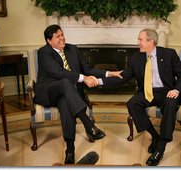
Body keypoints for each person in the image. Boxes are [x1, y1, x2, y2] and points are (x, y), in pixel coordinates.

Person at [97, 28, 181, 166]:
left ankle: (160, 148)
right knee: (132, 104)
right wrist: (99, 81)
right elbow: (123, 78)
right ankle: (155, 135)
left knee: (170, 104)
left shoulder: (169, 54)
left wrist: (176, 90)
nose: (138, 43)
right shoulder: (136, 57)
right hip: (147, 92)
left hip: (167, 91)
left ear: (151, 41)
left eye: (140, 40)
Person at [34, 24, 121, 164]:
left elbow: (87, 69)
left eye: (62, 34)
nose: (62, 38)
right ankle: (88, 123)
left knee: (65, 104)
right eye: (58, 36)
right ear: (49, 41)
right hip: (49, 91)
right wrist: (84, 79)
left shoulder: (72, 49)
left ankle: (70, 150)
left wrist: (109, 73)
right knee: (65, 82)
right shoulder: (43, 52)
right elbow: (58, 72)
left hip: (68, 94)